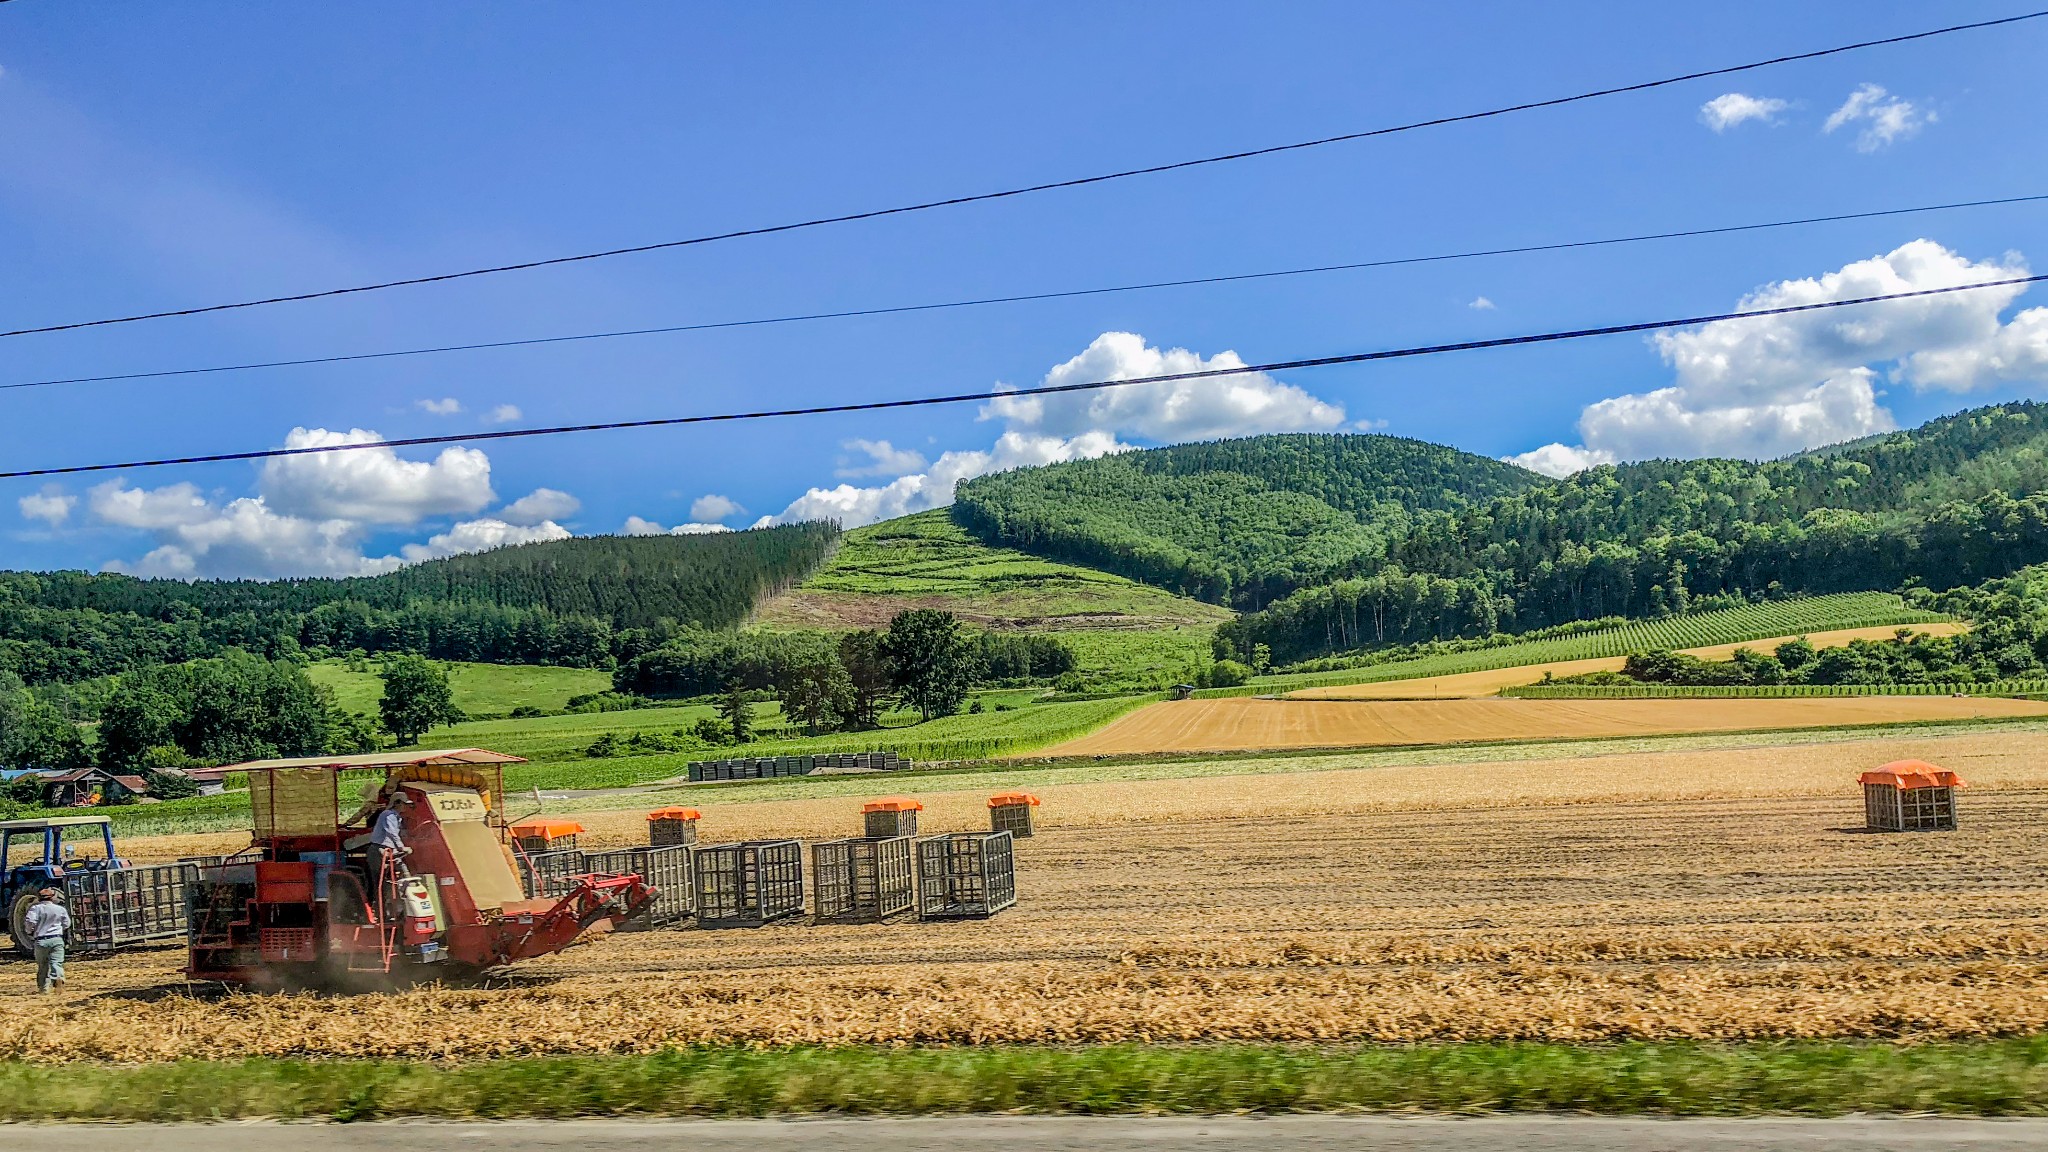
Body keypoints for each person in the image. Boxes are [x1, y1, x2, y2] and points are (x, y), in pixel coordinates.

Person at [24, 888, 69, 994]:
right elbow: (67, 923)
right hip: (57, 939)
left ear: (39, 898)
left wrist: (29, 931)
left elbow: (30, 922)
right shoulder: (60, 909)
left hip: (41, 940)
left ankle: (43, 989)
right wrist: (59, 929)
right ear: (53, 897)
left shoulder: (35, 909)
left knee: (43, 965)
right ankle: (58, 978)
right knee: (56, 962)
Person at [369, 792, 414, 900]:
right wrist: (401, 847)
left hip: (388, 850)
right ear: (397, 803)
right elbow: (392, 832)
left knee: (402, 871)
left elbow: (400, 833)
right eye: (404, 804)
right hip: (379, 850)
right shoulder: (388, 815)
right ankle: (379, 906)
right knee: (379, 882)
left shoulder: (397, 818)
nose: (405, 807)